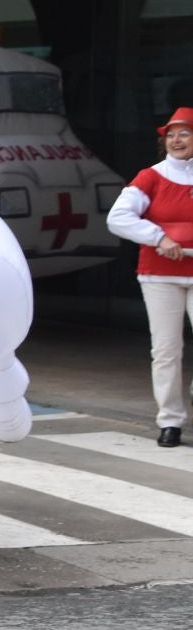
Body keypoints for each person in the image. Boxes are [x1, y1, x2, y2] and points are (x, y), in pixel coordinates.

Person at [108, 106, 193, 447]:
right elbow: (118, 218)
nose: (176, 140)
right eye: (170, 134)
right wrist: (159, 237)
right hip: (160, 275)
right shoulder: (150, 177)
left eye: (184, 133)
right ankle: (170, 421)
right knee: (167, 350)